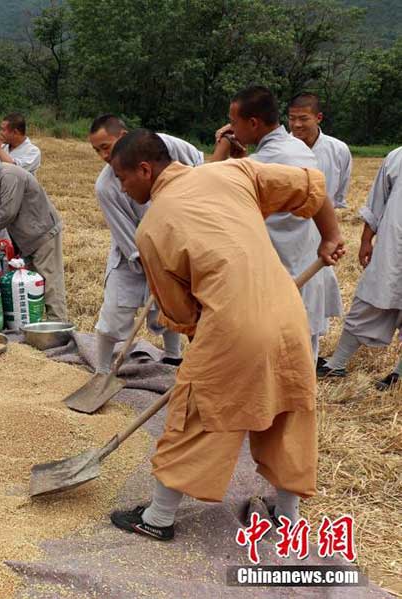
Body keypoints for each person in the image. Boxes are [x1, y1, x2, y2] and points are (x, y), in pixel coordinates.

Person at [106, 129, 344, 541]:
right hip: (289, 314)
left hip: (233, 325)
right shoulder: (233, 173)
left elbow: (180, 314)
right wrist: (331, 236)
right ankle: (287, 518)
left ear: (145, 170)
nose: (123, 190)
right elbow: (312, 186)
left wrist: (211, 354)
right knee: (287, 411)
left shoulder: (152, 229)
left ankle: (158, 519)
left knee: (197, 413)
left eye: (122, 178)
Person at [211, 85, 342, 361]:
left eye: (233, 122)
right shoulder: (292, 148)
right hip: (301, 260)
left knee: (281, 358)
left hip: (286, 269)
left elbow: (204, 187)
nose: (230, 127)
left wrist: (221, 147)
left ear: (253, 123)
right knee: (299, 351)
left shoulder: (269, 160)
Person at [88, 114, 204, 374]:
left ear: (123, 135)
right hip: (133, 255)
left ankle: (173, 357)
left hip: (176, 246)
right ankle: (102, 370)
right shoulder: (106, 186)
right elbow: (127, 236)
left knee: (174, 309)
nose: (103, 156)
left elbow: (200, 169)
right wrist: (152, 266)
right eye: (97, 151)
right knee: (113, 316)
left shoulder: (165, 146)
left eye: (105, 147)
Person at [319, 146, 402, 390]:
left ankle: (399, 374)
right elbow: (378, 201)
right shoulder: (396, 157)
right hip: (392, 247)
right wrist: (366, 239)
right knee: (368, 299)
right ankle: (337, 363)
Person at [0, 154, 67, 321]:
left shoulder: (8, 176)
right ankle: (38, 323)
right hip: (29, 238)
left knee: (50, 281)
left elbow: (8, 212)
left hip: (42, 235)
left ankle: (58, 326)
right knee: (34, 283)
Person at [288, 92, 352, 209]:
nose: (297, 124)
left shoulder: (339, 150)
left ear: (319, 118)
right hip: (288, 225)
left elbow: (339, 196)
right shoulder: (280, 150)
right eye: (292, 118)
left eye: (303, 119)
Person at [0, 112, 42, 206]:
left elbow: (14, 170)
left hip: (22, 207)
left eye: (3, 130)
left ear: (15, 132)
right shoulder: (1, 148)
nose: (1, 133)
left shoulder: (32, 152)